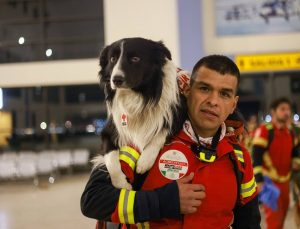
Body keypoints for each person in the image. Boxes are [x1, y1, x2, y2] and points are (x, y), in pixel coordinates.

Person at [81, 55, 261, 228]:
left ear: (233, 105)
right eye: (204, 89)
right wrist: (163, 201)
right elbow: (93, 199)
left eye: (224, 94)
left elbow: (249, 223)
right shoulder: (143, 139)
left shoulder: (239, 158)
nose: (213, 101)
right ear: (187, 91)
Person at [252, 97, 299, 229]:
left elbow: (295, 150)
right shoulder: (264, 131)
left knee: (282, 218)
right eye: (283, 109)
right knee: (274, 221)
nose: (287, 112)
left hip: (285, 182)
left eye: (288, 109)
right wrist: (259, 180)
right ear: (273, 112)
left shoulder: (290, 131)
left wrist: (295, 162)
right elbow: (256, 157)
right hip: (270, 183)